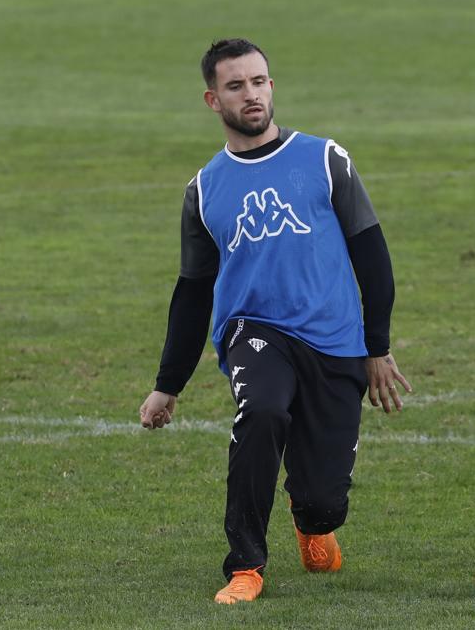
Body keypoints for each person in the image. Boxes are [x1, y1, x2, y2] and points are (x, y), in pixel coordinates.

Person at [138, 38, 412, 604]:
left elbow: (373, 255)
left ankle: (311, 521)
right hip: (254, 330)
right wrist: (168, 385)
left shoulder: (325, 159)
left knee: (325, 499)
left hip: (335, 338)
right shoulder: (203, 189)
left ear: (272, 86)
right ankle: (245, 565)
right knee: (260, 410)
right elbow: (192, 293)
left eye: (258, 81)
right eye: (235, 86)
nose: (251, 93)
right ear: (213, 100)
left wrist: (377, 346)